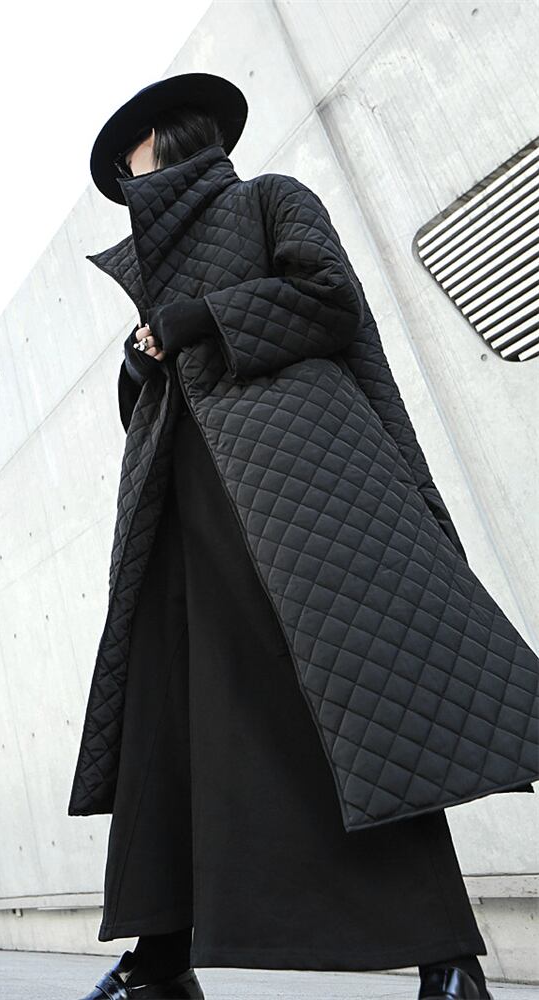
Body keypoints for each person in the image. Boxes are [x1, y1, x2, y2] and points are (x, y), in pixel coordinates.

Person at [69, 72, 535, 1000]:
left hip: (293, 490)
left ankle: (449, 964)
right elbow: (161, 398)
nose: (124, 168)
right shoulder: (153, 271)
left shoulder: (271, 199)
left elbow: (329, 300)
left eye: (132, 147)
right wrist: (140, 358)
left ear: (172, 135)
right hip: (178, 508)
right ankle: (157, 966)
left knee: (349, 709)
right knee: (171, 717)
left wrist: (201, 318)